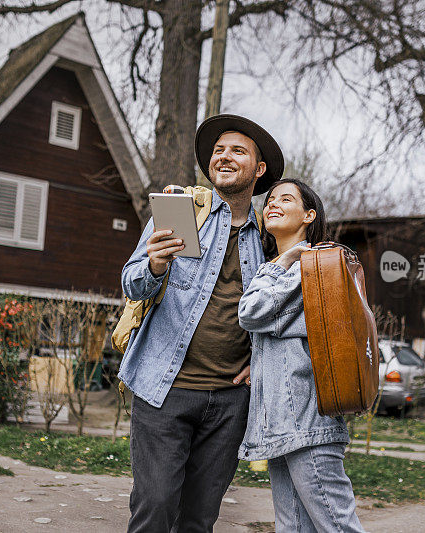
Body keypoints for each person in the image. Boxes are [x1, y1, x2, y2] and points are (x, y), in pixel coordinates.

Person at [119, 114, 285, 533]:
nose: (224, 157)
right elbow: (131, 282)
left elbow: (279, 315)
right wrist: (154, 265)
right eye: (218, 150)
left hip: (229, 401)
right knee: (155, 506)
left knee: (199, 518)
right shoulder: (180, 211)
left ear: (259, 169)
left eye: (238, 151)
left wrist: (260, 361)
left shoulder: (268, 239)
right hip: (165, 388)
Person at [238, 178, 364, 533]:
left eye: (286, 199)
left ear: (309, 215)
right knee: (292, 527)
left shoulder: (311, 265)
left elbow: (252, 312)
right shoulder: (284, 265)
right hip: (285, 424)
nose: (273, 203)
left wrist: (285, 262)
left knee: (338, 526)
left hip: (307, 422)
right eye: (271, 199)